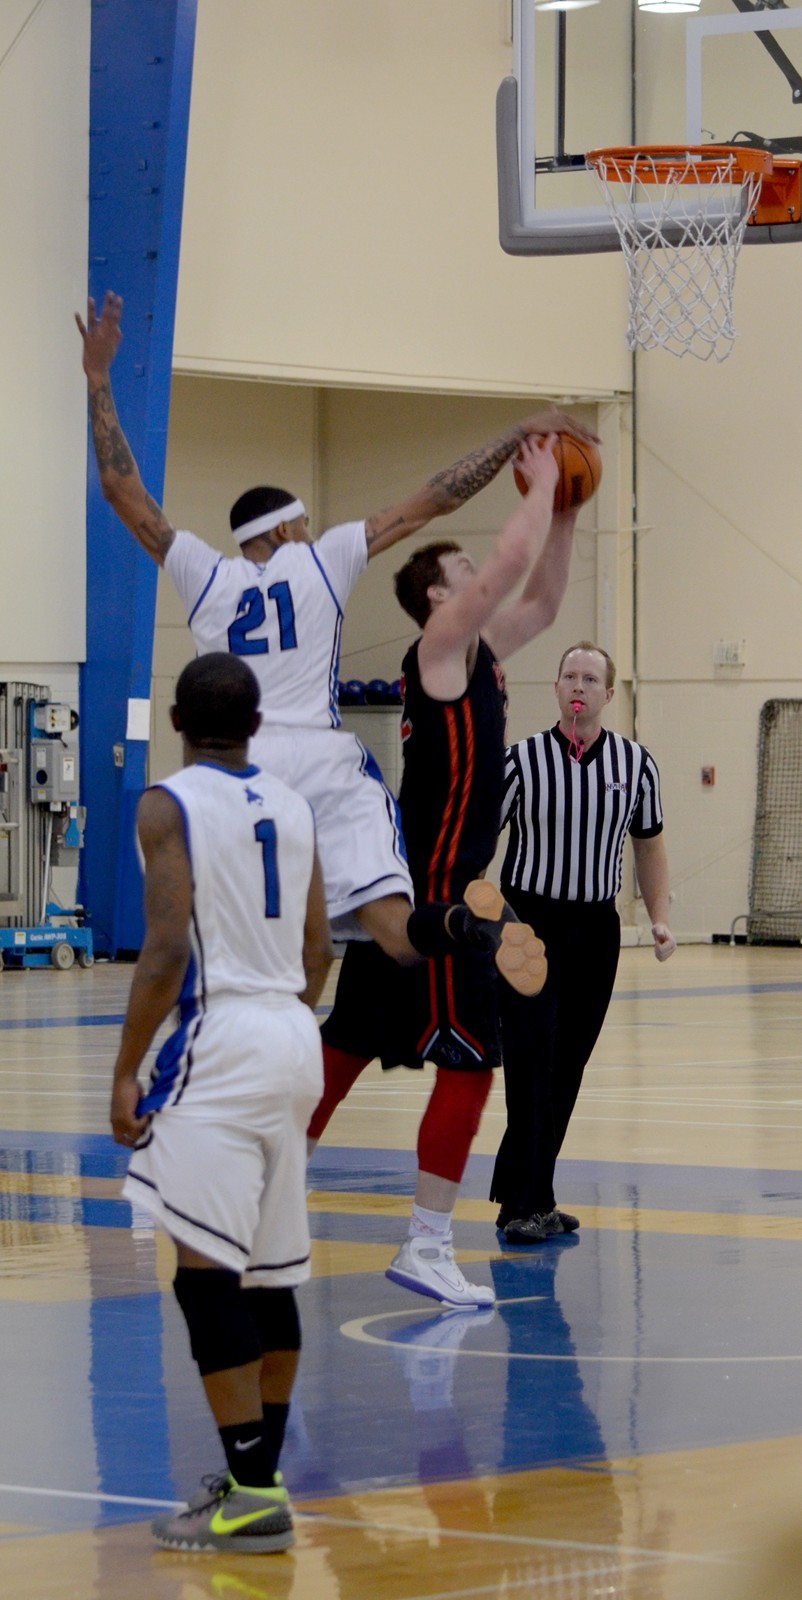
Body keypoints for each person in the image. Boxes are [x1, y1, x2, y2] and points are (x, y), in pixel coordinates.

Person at [76, 289, 597, 972]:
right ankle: (465, 930)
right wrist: (511, 437)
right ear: (288, 527)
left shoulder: (204, 575)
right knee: (395, 931)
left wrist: (97, 377)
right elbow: (433, 499)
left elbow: (122, 490)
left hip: (240, 767)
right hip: (322, 760)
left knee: (260, 942)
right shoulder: (320, 559)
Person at [309, 434, 583, 1309]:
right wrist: (537, 488)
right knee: (468, 1060)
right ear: (437, 595)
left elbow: (538, 596)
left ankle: (249, 1195)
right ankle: (427, 1243)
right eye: (464, 568)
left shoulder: (480, 657)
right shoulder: (438, 648)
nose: (483, 574)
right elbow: (510, 563)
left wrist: (567, 512)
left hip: (416, 887)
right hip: (434, 901)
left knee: (346, 1045)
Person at [109, 652, 334, 1554]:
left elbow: (166, 946)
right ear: (256, 723)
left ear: (176, 720)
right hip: (293, 1030)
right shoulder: (295, 804)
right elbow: (320, 945)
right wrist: (288, 1025)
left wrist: (127, 1069)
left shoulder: (168, 803)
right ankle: (258, 1485)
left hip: (227, 1034)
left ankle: (248, 1493)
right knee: (267, 1271)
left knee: (206, 1275)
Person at [490, 641, 676, 1244]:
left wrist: (659, 917)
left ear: (608, 693)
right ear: (555, 687)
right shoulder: (520, 762)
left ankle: (532, 1195)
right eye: (569, 675)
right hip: (529, 929)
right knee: (529, 1063)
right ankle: (524, 1199)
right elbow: (479, 837)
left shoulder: (635, 765)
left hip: (596, 930)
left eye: (590, 678)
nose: (578, 686)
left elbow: (649, 845)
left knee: (567, 1065)